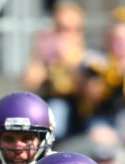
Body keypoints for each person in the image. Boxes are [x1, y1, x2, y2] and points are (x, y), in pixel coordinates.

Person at [72, 21, 125, 136]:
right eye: (116, 40)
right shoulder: (95, 62)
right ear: (107, 41)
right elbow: (91, 98)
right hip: (101, 119)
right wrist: (108, 74)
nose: (121, 45)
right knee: (101, 136)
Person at [21, 2, 88, 138]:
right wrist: (43, 57)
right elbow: (29, 82)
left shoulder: (89, 58)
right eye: (59, 29)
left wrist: (70, 64)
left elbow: (88, 93)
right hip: (53, 107)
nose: (64, 35)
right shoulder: (47, 55)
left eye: (69, 29)